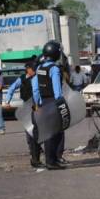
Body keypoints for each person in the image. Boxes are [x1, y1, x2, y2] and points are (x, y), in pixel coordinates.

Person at [32, 40, 68, 170]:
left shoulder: (39, 68)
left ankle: (51, 160)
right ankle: (51, 161)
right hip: (53, 102)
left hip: (43, 102)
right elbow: (57, 90)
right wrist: (61, 103)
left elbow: (35, 89)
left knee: (48, 132)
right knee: (55, 133)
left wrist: (37, 103)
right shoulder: (54, 69)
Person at [4, 61, 44, 168]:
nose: (34, 71)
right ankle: (34, 155)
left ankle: (36, 156)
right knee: (30, 133)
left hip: (37, 108)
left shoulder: (38, 77)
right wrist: (7, 101)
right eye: (32, 69)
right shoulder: (22, 78)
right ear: (28, 69)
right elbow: (12, 88)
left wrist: (37, 105)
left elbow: (37, 92)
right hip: (27, 106)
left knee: (37, 133)